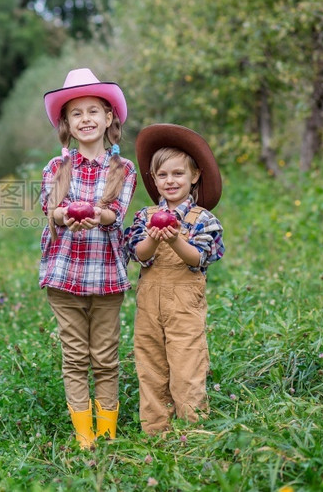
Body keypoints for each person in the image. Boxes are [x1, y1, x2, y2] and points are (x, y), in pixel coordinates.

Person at [38, 68, 137, 449]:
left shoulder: (123, 169)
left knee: (106, 357)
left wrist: (96, 215)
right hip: (63, 277)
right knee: (76, 355)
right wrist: (66, 215)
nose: (85, 120)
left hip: (106, 278)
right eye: (76, 113)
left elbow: (115, 213)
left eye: (93, 111)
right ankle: (85, 435)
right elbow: (52, 210)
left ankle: (107, 430)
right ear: (66, 122)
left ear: (109, 117)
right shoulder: (56, 167)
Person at [124, 123, 225, 435]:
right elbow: (140, 254)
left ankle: (193, 430)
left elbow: (198, 258)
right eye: (163, 175)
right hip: (149, 309)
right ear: (154, 180)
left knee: (187, 368)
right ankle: (156, 431)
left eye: (178, 174)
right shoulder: (144, 217)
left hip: (184, 310)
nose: (170, 181)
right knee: (150, 366)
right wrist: (155, 238)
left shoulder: (203, 220)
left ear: (194, 176)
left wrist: (175, 239)